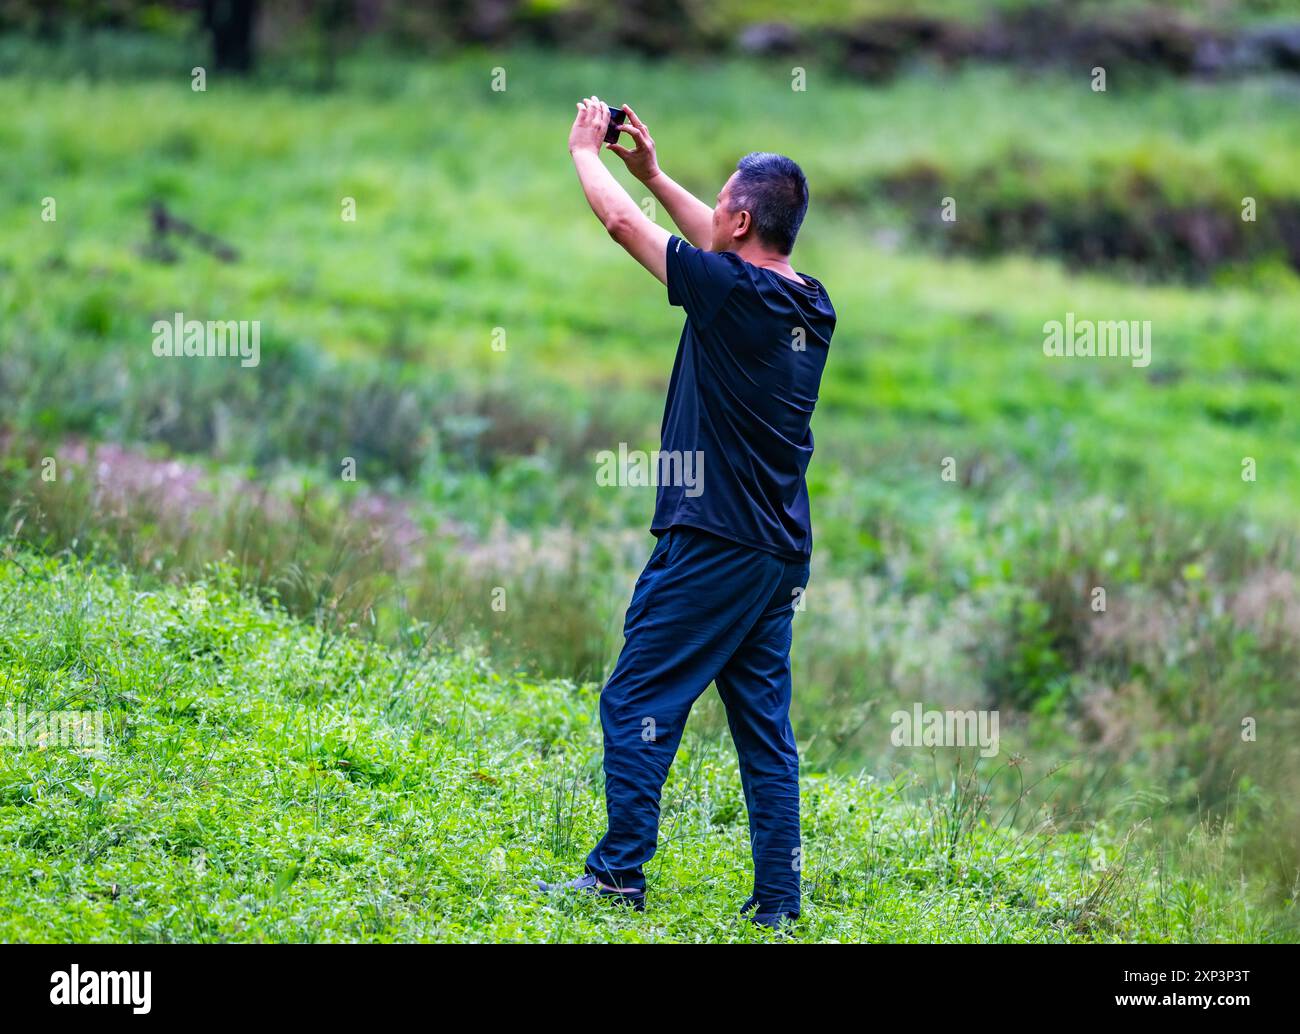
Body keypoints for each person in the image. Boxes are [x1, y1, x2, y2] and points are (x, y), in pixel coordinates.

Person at [538, 98, 836, 929]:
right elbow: (711, 236)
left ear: (741, 220)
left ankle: (616, 878)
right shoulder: (810, 304)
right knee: (764, 733)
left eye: (722, 202)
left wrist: (585, 154)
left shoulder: (728, 294)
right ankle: (778, 903)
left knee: (638, 697)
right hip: (776, 553)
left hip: (713, 543)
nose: (715, 212)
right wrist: (659, 175)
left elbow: (623, 229)